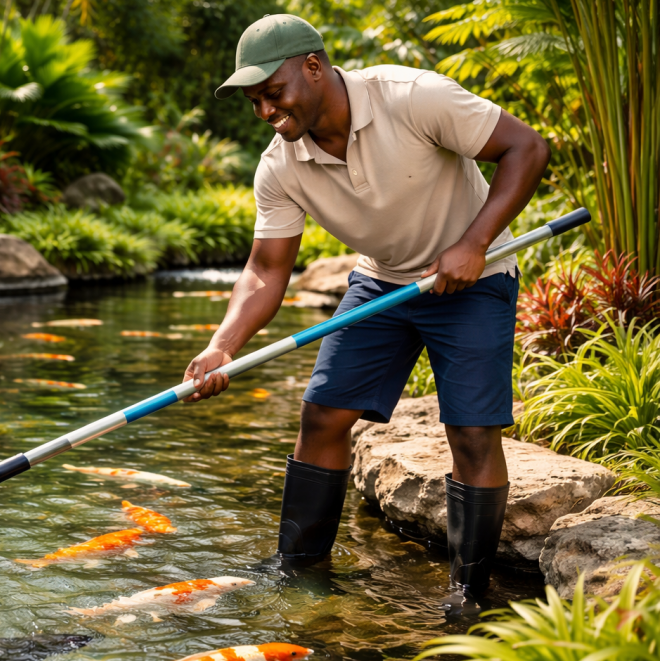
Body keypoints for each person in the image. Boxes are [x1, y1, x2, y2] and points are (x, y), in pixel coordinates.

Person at [182, 14, 550, 607]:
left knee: (472, 433)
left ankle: (469, 592)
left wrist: (474, 243)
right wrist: (223, 344)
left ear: (314, 66)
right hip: (381, 284)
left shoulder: (413, 97)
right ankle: (299, 571)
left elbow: (527, 147)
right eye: (254, 102)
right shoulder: (280, 165)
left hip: (473, 280)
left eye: (272, 93)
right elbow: (266, 269)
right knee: (322, 418)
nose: (266, 112)